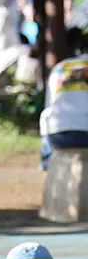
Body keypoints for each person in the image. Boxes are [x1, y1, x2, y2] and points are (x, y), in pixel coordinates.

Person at [39, 28, 88, 167]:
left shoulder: (61, 67)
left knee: (47, 115)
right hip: (85, 132)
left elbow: (49, 105)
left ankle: (46, 166)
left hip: (58, 135)